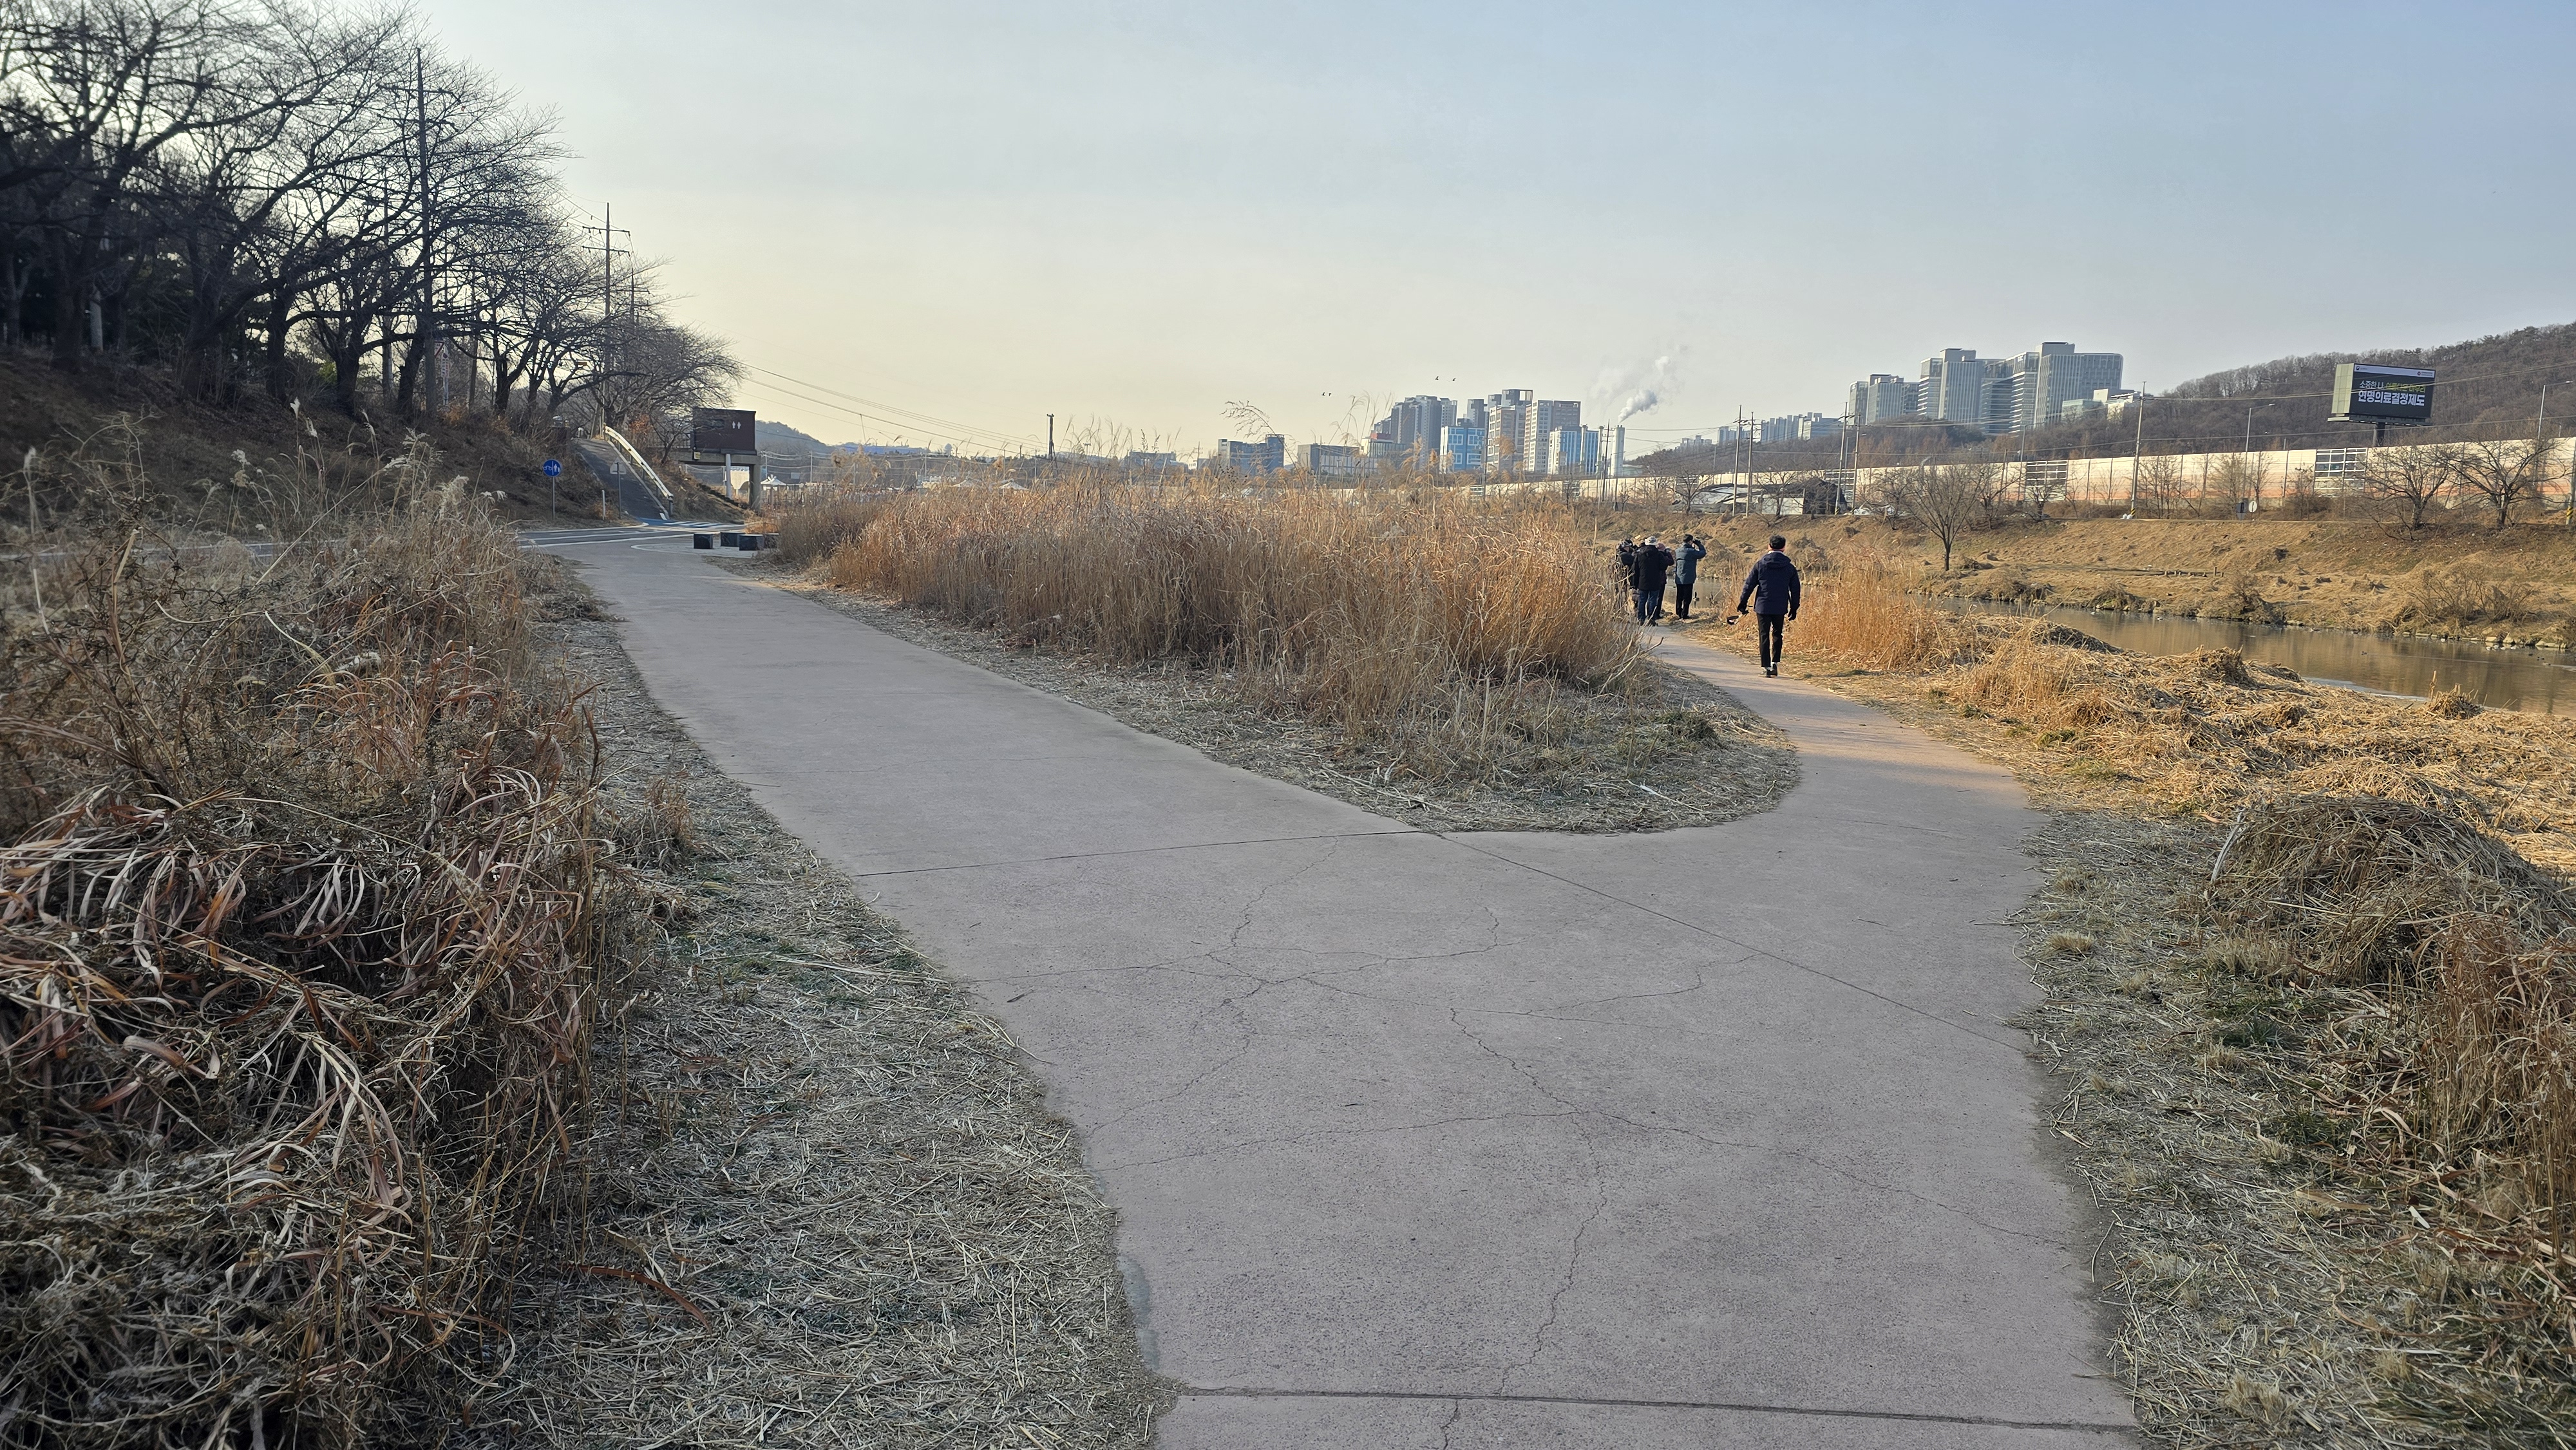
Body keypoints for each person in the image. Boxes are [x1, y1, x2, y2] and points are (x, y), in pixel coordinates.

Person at [1734, 533, 1801, 675]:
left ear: (1769, 546)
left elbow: (1749, 585)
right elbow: (1795, 589)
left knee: (1764, 635)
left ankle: (1766, 667)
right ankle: (1775, 663)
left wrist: (1743, 602)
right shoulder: (1789, 567)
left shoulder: (1760, 565)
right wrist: (1794, 608)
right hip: (1780, 606)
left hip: (1763, 605)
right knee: (1778, 634)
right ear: (1784, 548)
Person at [1631, 534, 1675, 624]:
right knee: (1653, 600)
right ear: (1655, 544)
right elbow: (1664, 566)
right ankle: (1651, 619)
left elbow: (1635, 569)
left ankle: (1641, 619)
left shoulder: (1640, 555)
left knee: (1642, 600)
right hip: (1655, 580)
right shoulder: (1659, 555)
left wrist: (1634, 583)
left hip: (1642, 580)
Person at [1673, 534, 1707, 619]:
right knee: (1687, 598)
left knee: (1679, 596)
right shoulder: (1691, 552)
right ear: (1690, 541)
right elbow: (1703, 553)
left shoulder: (1678, 551)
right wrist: (1699, 545)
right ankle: (1684, 614)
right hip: (1688, 578)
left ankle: (1678, 612)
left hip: (1679, 577)